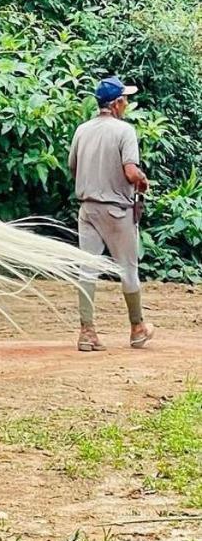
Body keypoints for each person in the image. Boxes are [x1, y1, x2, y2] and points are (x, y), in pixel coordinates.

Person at [70, 76, 153, 351]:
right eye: (125, 99)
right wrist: (142, 180)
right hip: (117, 211)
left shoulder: (82, 130)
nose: (127, 103)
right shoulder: (124, 131)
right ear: (116, 103)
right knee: (128, 269)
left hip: (88, 209)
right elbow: (130, 171)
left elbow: (73, 165)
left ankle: (87, 332)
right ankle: (137, 327)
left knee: (87, 269)